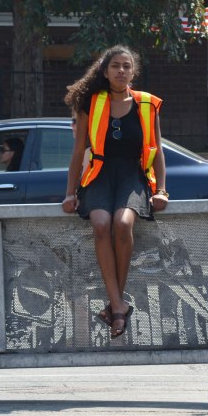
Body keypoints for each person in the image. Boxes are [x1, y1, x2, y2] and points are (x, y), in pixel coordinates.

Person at [62, 45, 168, 339]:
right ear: (105, 72)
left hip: (133, 175)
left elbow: (157, 151)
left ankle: (115, 305)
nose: (121, 71)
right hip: (99, 173)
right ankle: (119, 307)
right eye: (115, 66)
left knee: (123, 224)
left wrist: (161, 190)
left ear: (133, 72)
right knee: (101, 224)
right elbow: (78, 151)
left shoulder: (147, 104)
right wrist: (70, 194)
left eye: (126, 66)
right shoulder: (91, 103)